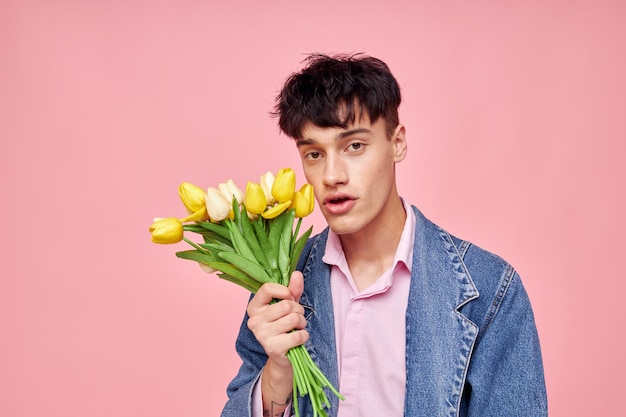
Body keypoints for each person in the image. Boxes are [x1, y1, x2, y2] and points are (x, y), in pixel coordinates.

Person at [221, 54, 547, 417]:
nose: (332, 175)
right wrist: (275, 377)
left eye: (354, 146)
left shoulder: (489, 289)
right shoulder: (281, 282)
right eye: (314, 154)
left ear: (398, 143)